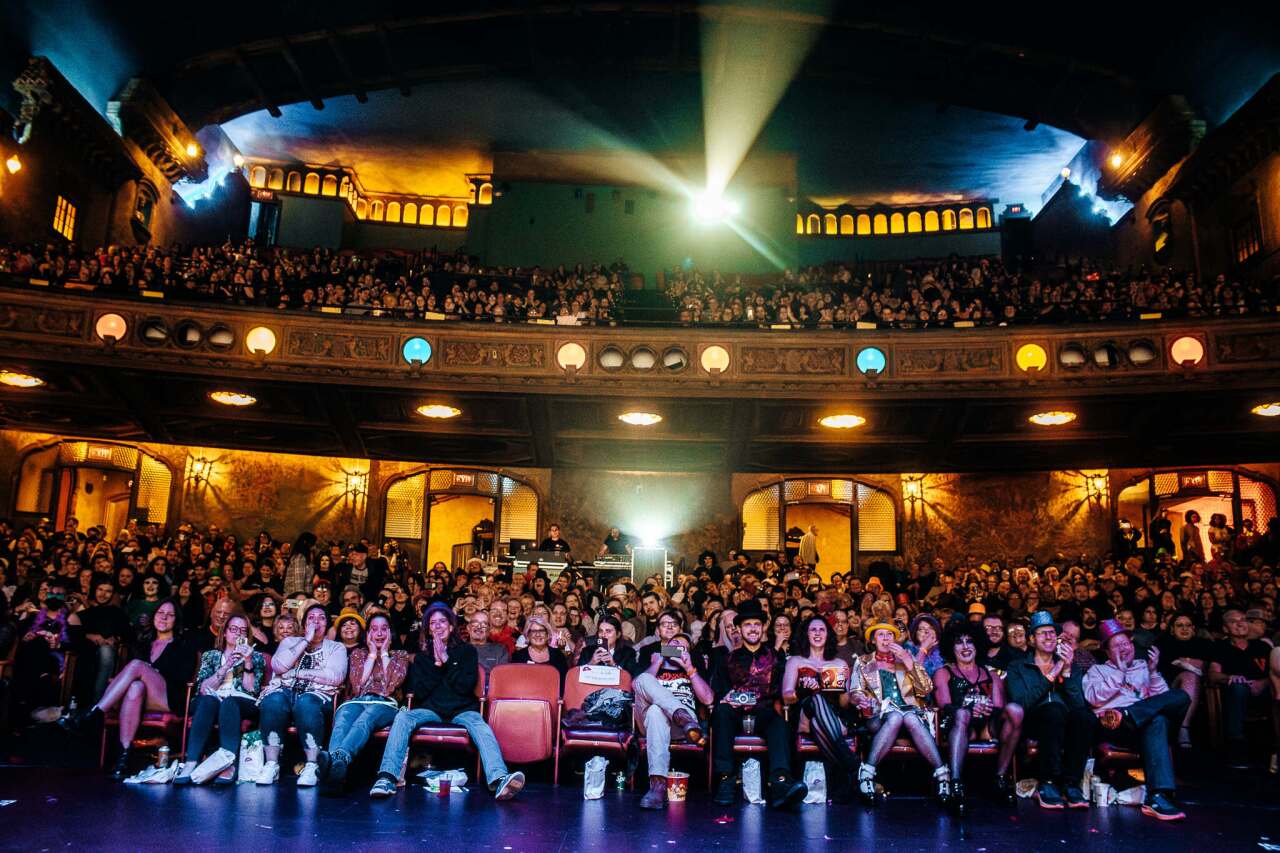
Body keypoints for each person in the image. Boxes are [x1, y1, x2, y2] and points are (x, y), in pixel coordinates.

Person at [369, 604, 525, 801]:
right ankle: (387, 777)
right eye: (433, 623)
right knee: (403, 718)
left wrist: (446, 659)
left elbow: (464, 686)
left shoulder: (467, 651)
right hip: (431, 709)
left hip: (462, 709)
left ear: (451, 627)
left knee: (480, 725)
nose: (438, 626)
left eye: (442, 622)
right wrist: (437, 664)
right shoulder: (422, 658)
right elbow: (420, 691)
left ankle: (499, 778)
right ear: (428, 629)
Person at [62, 599, 196, 779]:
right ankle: (124, 758)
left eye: (170, 615)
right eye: (160, 613)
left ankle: (95, 713)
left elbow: (183, 676)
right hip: (141, 696)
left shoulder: (183, 645)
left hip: (168, 697)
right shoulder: (143, 644)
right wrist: (144, 674)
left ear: (176, 620)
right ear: (153, 617)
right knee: (135, 686)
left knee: (137, 666)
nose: (164, 617)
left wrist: (151, 673)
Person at [1083, 618, 1189, 820]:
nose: (1124, 648)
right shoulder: (1097, 671)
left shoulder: (1143, 666)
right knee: (1157, 720)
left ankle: (1157, 797)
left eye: (1126, 643)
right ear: (1107, 651)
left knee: (1180, 697)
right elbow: (1093, 697)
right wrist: (1120, 673)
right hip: (1115, 727)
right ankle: (1158, 796)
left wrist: (1153, 673)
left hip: (1143, 726)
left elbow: (1163, 699)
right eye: (1117, 646)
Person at [709, 600, 808, 809]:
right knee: (721, 712)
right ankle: (726, 779)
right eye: (747, 624)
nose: (753, 628)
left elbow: (784, 690)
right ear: (739, 628)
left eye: (756, 624)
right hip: (734, 714)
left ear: (763, 627)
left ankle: (780, 782)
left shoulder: (776, 658)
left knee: (778, 722)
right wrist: (726, 698)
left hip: (764, 712)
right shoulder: (727, 659)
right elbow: (718, 691)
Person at [850, 621, 949, 805]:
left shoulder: (904, 658)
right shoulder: (864, 662)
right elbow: (855, 691)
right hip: (879, 717)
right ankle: (867, 774)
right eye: (881, 634)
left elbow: (926, 689)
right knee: (895, 717)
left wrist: (908, 661)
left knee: (908, 716)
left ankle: (942, 776)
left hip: (910, 716)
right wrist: (861, 699)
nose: (886, 639)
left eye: (890, 635)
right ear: (873, 640)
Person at [1004, 611, 1092, 809]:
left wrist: (1067, 672)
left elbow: (1078, 704)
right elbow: (1021, 702)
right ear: (1032, 639)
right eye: (1042, 633)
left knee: (1084, 716)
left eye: (1052, 632)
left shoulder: (1071, 666)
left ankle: (1071, 784)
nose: (1049, 636)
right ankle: (1048, 782)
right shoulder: (1018, 667)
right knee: (1053, 710)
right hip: (1033, 721)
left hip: (1064, 722)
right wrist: (1053, 673)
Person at [932, 621, 1022, 813]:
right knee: (962, 714)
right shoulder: (943, 672)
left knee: (1015, 710)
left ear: (978, 645)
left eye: (970, 641)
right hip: (958, 724)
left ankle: (1000, 778)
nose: (965, 647)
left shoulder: (991, 675)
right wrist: (970, 707)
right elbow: (944, 706)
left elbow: (999, 708)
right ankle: (956, 784)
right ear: (951, 647)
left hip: (987, 726)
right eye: (959, 642)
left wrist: (987, 709)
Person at [256, 602, 348, 786]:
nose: (316, 622)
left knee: (306, 703)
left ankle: (312, 765)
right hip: (285, 690)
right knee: (273, 700)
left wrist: (296, 673)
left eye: (321, 618)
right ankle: (272, 764)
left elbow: (335, 677)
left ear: (327, 624)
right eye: (311, 618)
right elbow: (278, 666)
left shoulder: (336, 647)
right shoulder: (290, 642)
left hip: (316, 695)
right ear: (305, 624)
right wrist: (306, 640)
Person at [318, 613, 410, 794]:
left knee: (365, 718)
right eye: (374, 629)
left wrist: (384, 653)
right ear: (368, 634)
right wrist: (372, 655)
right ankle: (336, 775)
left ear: (390, 632)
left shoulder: (400, 655)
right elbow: (358, 685)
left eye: (384, 629)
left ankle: (337, 760)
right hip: (358, 701)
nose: (379, 633)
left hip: (385, 704)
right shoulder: (358, 654)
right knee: (342, 719)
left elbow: (391, 685)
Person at [177, 607, 268, 785]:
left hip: (241, 701)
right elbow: (203, 688)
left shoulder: (256, 657)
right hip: (212, 698)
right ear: (225, 633)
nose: (238, 633)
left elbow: (251, 690)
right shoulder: (211, 656)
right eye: (233, 629)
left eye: (243, 630)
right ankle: (191, 762)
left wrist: (247, 661)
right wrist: (227, 665)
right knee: (208, 700)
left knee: (230, 702)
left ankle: (228, 764)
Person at [782, 615, 860, 803]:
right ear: (806, 634)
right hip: (803, 713)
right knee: (815, 698)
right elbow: (786, 696)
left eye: (822, 629)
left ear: (828, 635)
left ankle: (846, 773)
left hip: (831, 718)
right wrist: (804, 691)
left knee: (819, 720)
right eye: (813, 629)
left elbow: (844, 704)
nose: (817, 633)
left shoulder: (839, 664)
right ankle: (852, 764)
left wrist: (843, 688)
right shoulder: (795, 661)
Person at [633, 630, 711, 809]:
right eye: (673, 644)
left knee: (656, 711)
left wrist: (689, 668)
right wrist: (657, 662)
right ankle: (681, 715)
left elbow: (708, 699)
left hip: (683, 729)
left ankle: (657, 787)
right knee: (644, 681)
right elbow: (635, 685)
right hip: (652, 723)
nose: (676, 647)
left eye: (682, 646)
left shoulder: (692, 669)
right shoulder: (654, 666)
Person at [1209, 608, 1272, 768]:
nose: (1240, 624)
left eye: (1243, 620)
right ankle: (1236, 747)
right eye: (1233, 621)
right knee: (1238, 688)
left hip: (1265, 691)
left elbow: (1275, 673)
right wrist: (1229, 677)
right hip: (1236, 693)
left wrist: (1262, 683)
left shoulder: (1262, 647)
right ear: (1225, 629)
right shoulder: (1220, 647)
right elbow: (1213, 675)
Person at [1156, 612, 1211, 747]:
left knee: (1191, 677)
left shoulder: (1204, 644)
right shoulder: (1163, 643)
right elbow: (1162, 667)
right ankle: (1182, 729)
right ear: (1172, 629)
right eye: (1179, 625)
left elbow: (1206, 666)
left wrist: (1183, 662)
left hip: (1199, 687)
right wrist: (1192, 663)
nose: (1184, 628)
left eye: (1188, 625)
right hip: (1168, 687)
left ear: (1193, 629)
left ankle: (1183, 727)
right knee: (1189, 676)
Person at [511, 615, 569, 682]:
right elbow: (515, 682)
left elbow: (564, 682)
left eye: (541, 631)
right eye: (533, 631)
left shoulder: (558, 655)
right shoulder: (518, 656)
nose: (538, 635)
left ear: (547, 634)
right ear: (528, 635)